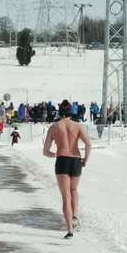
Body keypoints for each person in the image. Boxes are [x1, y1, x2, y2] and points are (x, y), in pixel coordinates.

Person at [43, 100, 92, 239]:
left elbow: (45, 151)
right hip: (76, 160)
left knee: (66, 196)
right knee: (74, 190)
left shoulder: (54, 127)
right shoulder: (77, 126)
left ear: (59, 112)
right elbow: (88, 144)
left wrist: (54, 154)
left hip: (62, 160)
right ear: (71, 112)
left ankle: (70, 230)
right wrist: (85, 160)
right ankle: (75, 215)